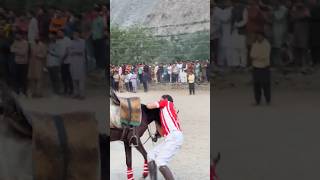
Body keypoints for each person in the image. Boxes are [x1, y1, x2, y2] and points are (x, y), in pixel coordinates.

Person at [146, 95, 183, 180]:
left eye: (160, 100)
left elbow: (149, 106)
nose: (159, 101)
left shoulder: (167, 103)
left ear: (165, 100)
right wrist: (156, 120)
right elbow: (162, 134)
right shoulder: (166, 112)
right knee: (151, 155)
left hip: (174, 137)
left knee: (161, 162)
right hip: (171, 137)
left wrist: (154, 105)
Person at [250, 31, 271, 105]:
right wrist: (258, 57)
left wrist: (257, 57)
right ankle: (257, 101)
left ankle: (268, 100)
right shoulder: (255, 44)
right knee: (256, 85)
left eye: (260, 36)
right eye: (258, 36)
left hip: (264, 67)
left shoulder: (267, 44)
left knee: (266, 85)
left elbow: (264, 56)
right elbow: (252, 55)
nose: (259, 37)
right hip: (256, 67)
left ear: (263, 37)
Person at [69, 30, 86, 99]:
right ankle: (76, 93)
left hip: (80, 62)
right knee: (74, 79)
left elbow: (81, 51)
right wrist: (75, 51)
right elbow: (70, 51)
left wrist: (74, 51)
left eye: (76, 34)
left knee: (80, 79)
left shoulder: (82, 41)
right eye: (74, 34)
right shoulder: (71, 42)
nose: (75, 36)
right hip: (73, 62)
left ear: (79, 34)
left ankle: (82, 94)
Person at [10, 31, 29, 96]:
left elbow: (23, 52)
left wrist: (16, 50)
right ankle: (17, 91)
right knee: (16, 78)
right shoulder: (15, 42)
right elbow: (11, 49)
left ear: (21, 35)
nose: (17, 36)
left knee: (23, 78)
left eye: (18, 35)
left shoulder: (25, 43)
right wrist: (18, 50)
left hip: (24, 63)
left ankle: (24, 91)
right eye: (16, 35)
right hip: (16, 62)